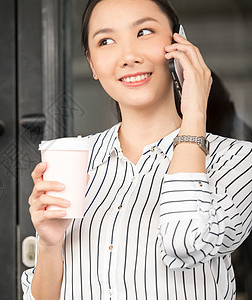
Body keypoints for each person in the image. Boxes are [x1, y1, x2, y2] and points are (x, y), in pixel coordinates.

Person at [21, 0, 252, 299]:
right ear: (92, 64)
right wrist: (49, 244)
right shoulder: (76, 160)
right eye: (106, 41)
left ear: (178, 42)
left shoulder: (236, 161)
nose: (128, 56)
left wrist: (195, 111)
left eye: (144, 32)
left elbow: (184, 243)